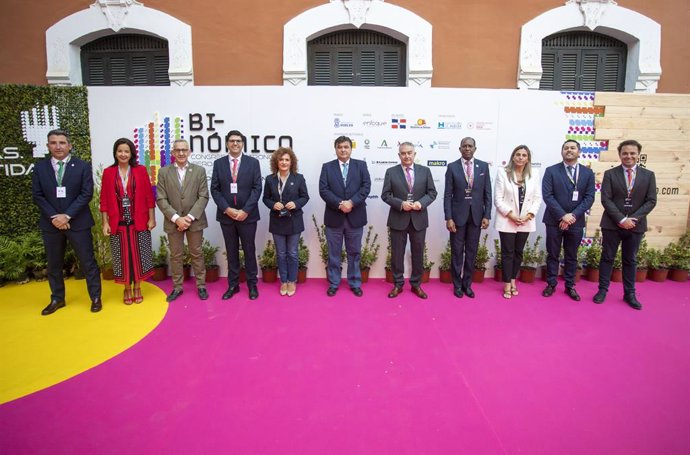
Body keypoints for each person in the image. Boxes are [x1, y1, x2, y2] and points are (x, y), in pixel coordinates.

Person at [32, 129, 102, 315]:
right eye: (53, 143)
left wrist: (67, 216)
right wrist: (55, 217)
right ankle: (57, 298)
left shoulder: (82, 166)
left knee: (88, 262)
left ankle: (95, 297)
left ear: (69, 145)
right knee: (54, 264)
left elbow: (86, 193)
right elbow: (38, 196)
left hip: (78, 222)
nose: (58, 146)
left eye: (62, 142)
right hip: (51, 224)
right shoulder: (40, 168)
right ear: (48, 146)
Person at [594, 140, 657, 310]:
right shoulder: (610, 174)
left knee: (630, 260)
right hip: (612, 224)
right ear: (620, 154)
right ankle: (602, 290)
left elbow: (651, 201)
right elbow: (606, 199)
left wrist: (633, 219)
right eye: (625, 153)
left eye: (632, 153)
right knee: (607, 258)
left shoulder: (648, 175)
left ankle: (629, 293)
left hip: (635, 226)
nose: (628, 156)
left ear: (638, 154)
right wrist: (621, 219)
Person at [100, 138, 156, 304]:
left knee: (140, 256)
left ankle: (138, 287)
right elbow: (103, 200)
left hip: (139, 220)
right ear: (115, 153)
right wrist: (105, 222)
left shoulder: (140, 170)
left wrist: (152, 218)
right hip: (119, 222)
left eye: (126, 151)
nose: (123, 154)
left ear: (131, 153)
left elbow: (148, 196)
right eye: (120, 151)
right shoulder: (109, 172)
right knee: (122, 258)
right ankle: (126, 289)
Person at [381, 142, 437, 299]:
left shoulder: (425, 171)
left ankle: (416, 284)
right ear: (399, 155)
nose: (406, 156)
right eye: (403, 153)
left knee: (418, 253)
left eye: (409, 153)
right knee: (397, 254)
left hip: (419, 219)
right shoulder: (391, 172)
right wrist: (401, 204)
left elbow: (432, 192)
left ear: (414, 154)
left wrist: (421, 203)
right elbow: (385, 195)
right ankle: (398, 284)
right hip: (398, 219)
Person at [156, 139, 210, 302]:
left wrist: (189, 217)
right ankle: (177, 287)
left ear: (189, 152)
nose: (181, 153)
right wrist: (176, 218)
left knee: (197, 253)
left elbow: (203, 196)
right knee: (176, 255)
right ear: (173, 153)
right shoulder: (164, 172)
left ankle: (201, 286)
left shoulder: (199, 171)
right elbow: (161, 199)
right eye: (178, 150)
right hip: (173, 221)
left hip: (194, 220)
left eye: (184, 150)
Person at [211, 130, 262, 300]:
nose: (235, 143)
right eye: (232, 141)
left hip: (248, 216)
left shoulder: (253, 163)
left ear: (242, 144)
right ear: (227, 143)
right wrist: (227, 209)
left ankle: (252, 285)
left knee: (249, 250)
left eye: (238, 141)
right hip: (227, 216)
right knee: (231, 251)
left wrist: (245, 210)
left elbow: (257, 189)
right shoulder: (218, 164)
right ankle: (233, 285)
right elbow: (215, 190)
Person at [541, 140, 595, 301]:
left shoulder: (587, 173)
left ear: (579, 152)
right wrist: (562, 215)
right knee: (553, 254)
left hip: (576, 221)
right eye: (566, 148)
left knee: (572, 255)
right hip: (554, 220)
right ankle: (551, 284)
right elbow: (547, 196)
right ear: (562, 151)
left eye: (572, 148)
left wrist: (572, 216)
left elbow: (589, 197)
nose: (569, 150)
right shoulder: (551, 171)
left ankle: (570, 285)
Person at [318, 135, 371, 297]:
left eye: (346, 147)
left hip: (355, 217)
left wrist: (352, 202)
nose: (343, 149)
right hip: (334, 217)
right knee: (334, 253)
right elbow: (323, 190)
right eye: (340, 147)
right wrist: (340, 204)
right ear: (335, 149)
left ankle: (354, 282)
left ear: (351, 148)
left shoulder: (360, 165)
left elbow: (366, 186)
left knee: (354, 253)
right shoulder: (327, 167)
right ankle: (334, 283)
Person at [443, 137, 492, 298]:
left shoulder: (483, 166)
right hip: (457, 218)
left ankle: (467, 285)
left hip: (476, 217)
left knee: (471, 252)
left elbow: (487, 194)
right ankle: (457, 285)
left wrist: (487, 215)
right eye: (464, 146)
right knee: (457, 252)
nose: (467, 148)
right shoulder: (452, 167)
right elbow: (447, 195)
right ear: (460, 149)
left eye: (470, 146)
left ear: (475, 149)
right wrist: (448, 217)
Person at [494, 145, 543, 299]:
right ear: (513, 157)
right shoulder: (503, 172)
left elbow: (537, 198)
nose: (521, 157)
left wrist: (529, 215)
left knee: (518, 252)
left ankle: (514, 280)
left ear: (528, 158)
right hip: (507, 219)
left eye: (524, 155)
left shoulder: (534, 174)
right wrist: (511, 215)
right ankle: (507, 283)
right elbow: (498, 199)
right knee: (507, 252)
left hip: (525, 220)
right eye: (518, 154)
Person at [262, 147, 310, 297]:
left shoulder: (299, 178)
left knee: (293, 253)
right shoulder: (270, 179)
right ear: (276, 161)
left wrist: (296, 204)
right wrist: (272, 204)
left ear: (291, 162)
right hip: (277, 221)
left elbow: (305, 197)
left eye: (287, 160)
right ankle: (283, 280)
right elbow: (265, 198)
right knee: (281, 253)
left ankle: (292, 280)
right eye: (281, 159)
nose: (284, 162)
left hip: (294, 220)